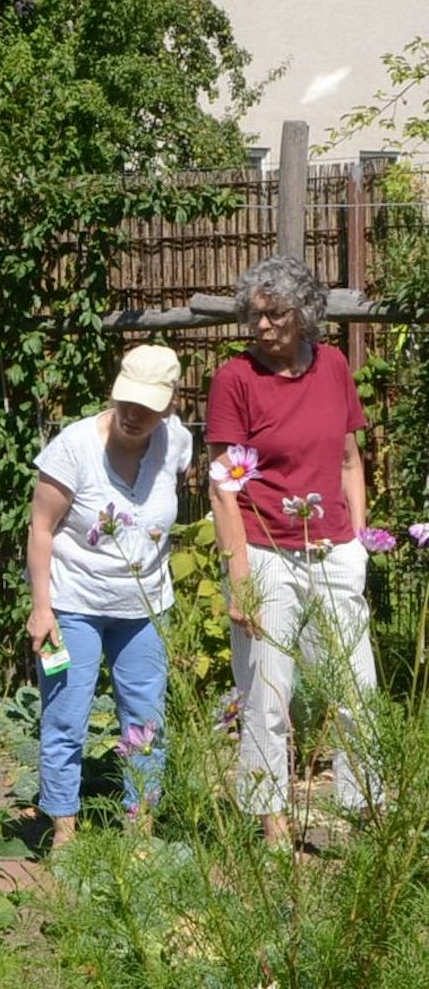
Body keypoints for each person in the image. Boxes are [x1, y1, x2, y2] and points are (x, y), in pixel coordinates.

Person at [207, 255, 377, 847]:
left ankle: (365, 810)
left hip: (333, 547)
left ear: (304, 314)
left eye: (275, 314)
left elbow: (351, 458)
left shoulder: (332, 366)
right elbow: (223, 485)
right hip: (265, 550)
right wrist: (241, 576)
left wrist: (357, 540)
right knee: (267, 692)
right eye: (253, 315)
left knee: (356, 687)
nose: (262, 327)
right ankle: (272, 820)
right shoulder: (235, 379)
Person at [26, 344, 191, 847]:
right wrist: (41, 607)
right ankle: (63, 830)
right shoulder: (74, 447)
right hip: (74, 605)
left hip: (144, 608)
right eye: (127, 402)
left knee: (145, 720)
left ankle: (139, 826)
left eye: (149, 405)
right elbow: (40, 527)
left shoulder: (176, 442)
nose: (134, 415)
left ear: (170, 404)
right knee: (66, 714)